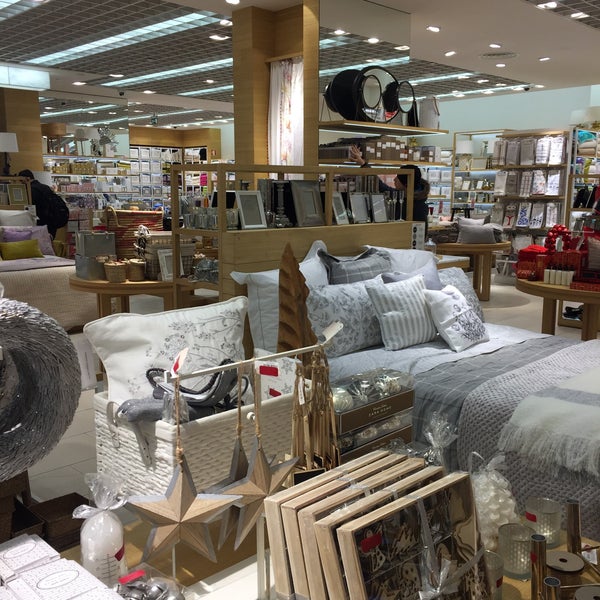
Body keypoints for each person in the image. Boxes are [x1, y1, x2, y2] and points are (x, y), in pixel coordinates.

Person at [349, 145, 430, 232]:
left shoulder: (419, 207)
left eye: (398, 178)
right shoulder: (400, 195)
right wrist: (363, 163)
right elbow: (379, 185)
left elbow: (421, 233)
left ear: (406, 184)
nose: (394, 179)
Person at [18, 169, 70, 237]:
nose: (20, 183)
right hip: (52, 222)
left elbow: (32, 208)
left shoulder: (31, 190)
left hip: (41, 224)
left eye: (21, 181)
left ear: (27, 179)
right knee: (48, 241)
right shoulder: (46, 187)